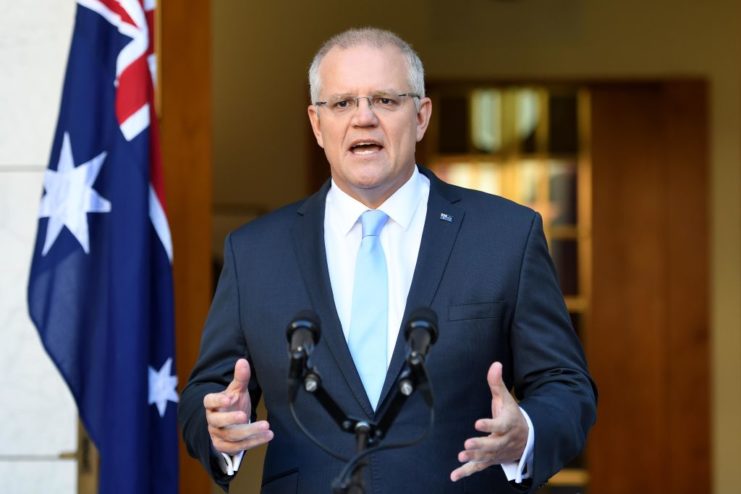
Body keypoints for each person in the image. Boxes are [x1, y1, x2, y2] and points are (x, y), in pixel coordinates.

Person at [179, 27, 597, 494]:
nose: (364, 119)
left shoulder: (505, 236)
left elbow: (566, 385)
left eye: (385, 100)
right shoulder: (255, 251)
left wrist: (527, 433)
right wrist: (216, 426)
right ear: (317, 125)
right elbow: (206, 393)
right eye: (342, 104)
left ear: (421, 117)